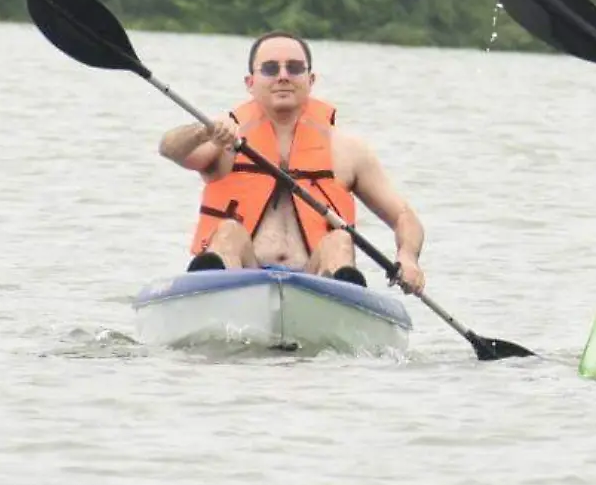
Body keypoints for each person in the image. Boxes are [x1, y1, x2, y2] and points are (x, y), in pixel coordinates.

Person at [158, 31, 427, 294]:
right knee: (228, 231)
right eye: (271, 68)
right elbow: (170, 148)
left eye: (295, 68)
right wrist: (204, 131)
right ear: (250, 82)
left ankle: (341, 306)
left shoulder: (348, 150)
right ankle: (208, 296)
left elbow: (404, 216)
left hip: (314, 281)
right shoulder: (224, 139)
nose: (283, 76)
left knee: (340, 240)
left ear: (310, 79)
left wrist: (408, 258)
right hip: (240, 279)